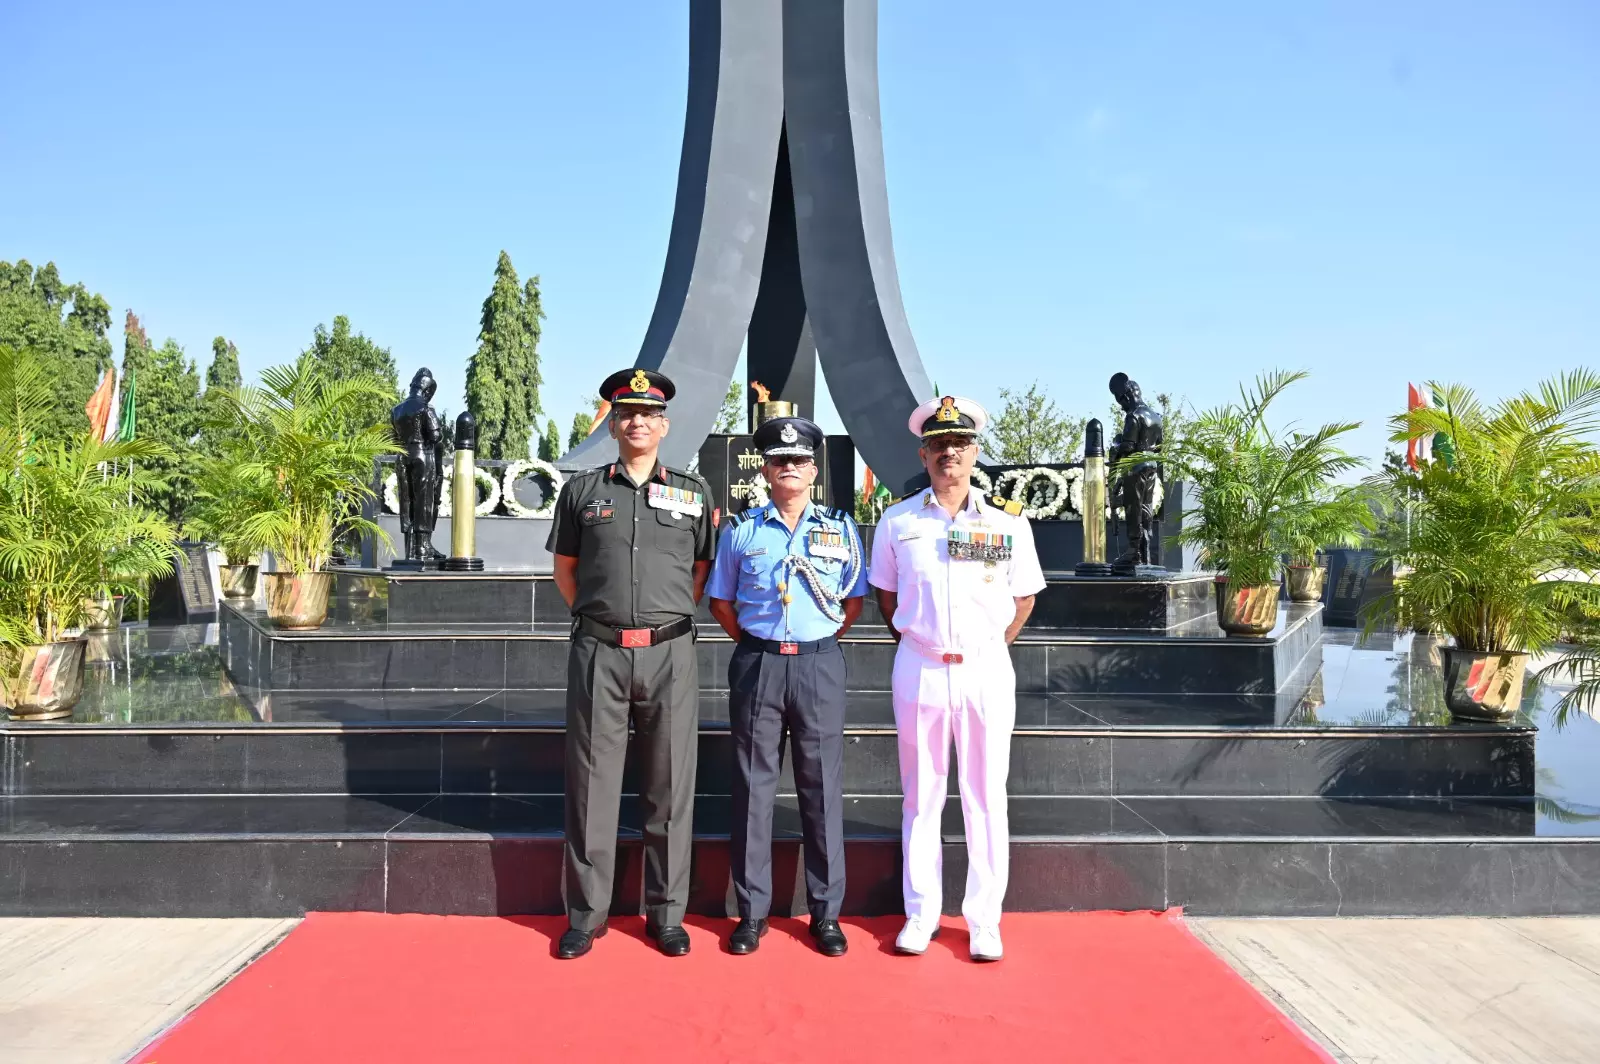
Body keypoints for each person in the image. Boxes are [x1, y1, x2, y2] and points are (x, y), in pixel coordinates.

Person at [545, 367, 715, 959]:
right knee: (592, 787)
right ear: (613, 424)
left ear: (664, 424)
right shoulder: (583, 491)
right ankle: (585, 916)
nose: (637, 421)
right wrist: (605, 618)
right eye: (626, 413)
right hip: (600, 653)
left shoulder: (693, 492)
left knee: (670, 787)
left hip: (670, 653)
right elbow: (566, 569)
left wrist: (660, 620)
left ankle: (666, 914)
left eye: (648, 413)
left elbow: (699, 570)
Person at [869, 395, 1045, 962]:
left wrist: (983, 646)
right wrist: (927, 644)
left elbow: (1022, 599)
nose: (950, 453)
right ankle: (921, 913)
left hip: (985, 668)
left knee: (985, 795)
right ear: (924, 454)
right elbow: (886, 594)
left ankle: (984, 919)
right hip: (919, 664)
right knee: (921, 797)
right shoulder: (898, 521)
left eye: (960, 445)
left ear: (974, 454)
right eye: (940, 445)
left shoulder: (1007, 522)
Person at [707, 416, 867, 957]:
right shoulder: (742, 529)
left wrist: (814, 641)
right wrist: (761, 644)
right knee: (753, 791)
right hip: (759, 664)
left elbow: (852, 602)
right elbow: (722, 603)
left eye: (799, 460)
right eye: (779, 460)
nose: (789, 468)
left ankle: (826, 914)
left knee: (821, 790)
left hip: (820, 665)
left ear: (814, 469)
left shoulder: (841, 527)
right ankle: (751, 914)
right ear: (766, 469)